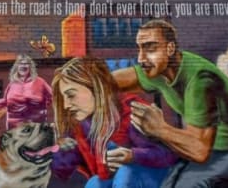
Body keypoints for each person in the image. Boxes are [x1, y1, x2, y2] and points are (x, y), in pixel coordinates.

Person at [113, 19, 228, 187]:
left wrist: (159, 129)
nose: (141, 58)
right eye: (140, 48)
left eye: (150, 48)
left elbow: (199, 150)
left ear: (170, 49)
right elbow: (108, 81)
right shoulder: (159, 70)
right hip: (214, 149)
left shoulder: (200, 80)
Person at [50, 56, 177, 188]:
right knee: (94, 183)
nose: (65, 105)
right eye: (63, 98)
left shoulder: (132, 112)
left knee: (126, 173)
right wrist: (51, 148)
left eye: (71, 95)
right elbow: (62, 168)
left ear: (95, 87)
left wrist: (133, 156)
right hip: (114, 180)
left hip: (153, 178)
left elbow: (169, 155)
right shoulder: (80, 126)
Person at [0, 54, 52, 130]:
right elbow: (5, 101)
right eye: (20, 64)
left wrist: (39, 108)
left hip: (35, 127)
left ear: (30, 67)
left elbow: (53, 97)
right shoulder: (12, 84)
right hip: (14, 127)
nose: (23, 66)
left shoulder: (40, 82)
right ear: (16, 67)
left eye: (26, 64)